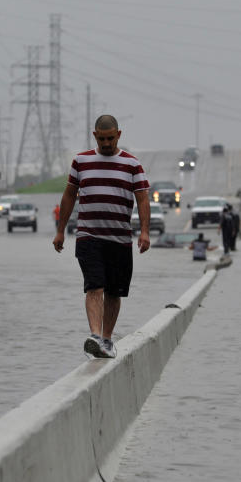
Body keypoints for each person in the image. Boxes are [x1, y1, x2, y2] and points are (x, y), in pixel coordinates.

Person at [53, 114, 151, 359]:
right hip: (89, 236)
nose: (106, 143)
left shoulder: (132, 165)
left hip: (119, 239)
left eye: (110, 138)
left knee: (114, 292)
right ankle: (95, 335)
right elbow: (68, 196)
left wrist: (146, 231)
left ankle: (107, 339)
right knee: (94, 286)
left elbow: (142, 199)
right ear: (94, 135)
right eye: (102, 138)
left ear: (119, 135)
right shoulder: (81, 161)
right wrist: (60, 231)